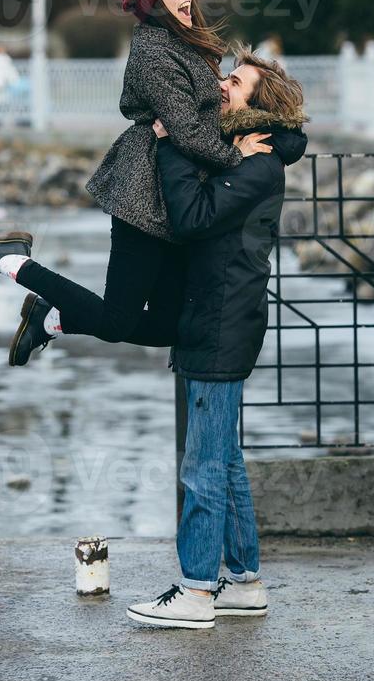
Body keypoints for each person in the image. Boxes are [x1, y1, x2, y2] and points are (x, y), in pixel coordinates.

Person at [0, 0, 272, 362]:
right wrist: (236, 157)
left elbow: (205, 117)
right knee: (115, 320)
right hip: (144, 195)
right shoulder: (153, 54)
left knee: (168, 325)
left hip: (175, 199)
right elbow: (187, 129)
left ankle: (49, 320)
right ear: (155, 1)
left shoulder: (181, 45)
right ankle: (8, 259)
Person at [125, 47, 308, 629]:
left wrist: (170, 143)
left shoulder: (258, 165)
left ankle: (199, 589)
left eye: (235, 81)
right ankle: (244, 582)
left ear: (259, 105)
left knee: (202, 465)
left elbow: (194, 218)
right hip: (221, 320)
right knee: (225, 461)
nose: (223, 85)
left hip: (222, 325)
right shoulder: (245, 154)